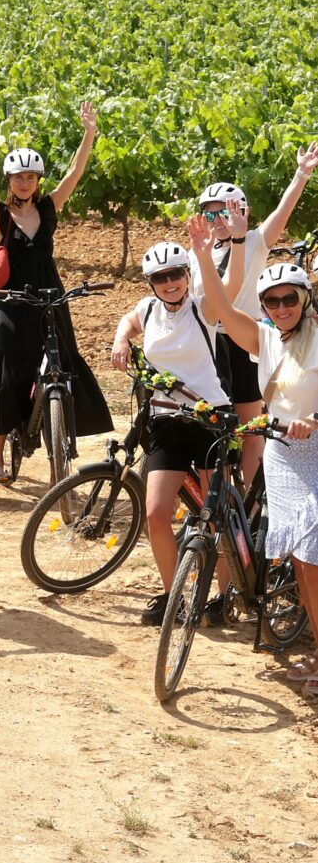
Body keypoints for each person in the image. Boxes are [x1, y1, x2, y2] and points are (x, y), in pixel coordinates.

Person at [0, 103, 112, 483]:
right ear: (9, 180)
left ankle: (58, 454)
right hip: (11, 304)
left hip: (49, 299)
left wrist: (89, 133)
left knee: (64, 364)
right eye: (18, 177)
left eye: (31, 177)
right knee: (10, 374)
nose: (24, 183)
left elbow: (76, 173)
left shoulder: (48, 209)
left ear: (39, 180)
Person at [191, 224, 318, 692]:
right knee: (301, 561)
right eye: (272, 301)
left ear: (304, 300)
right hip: (282, 453)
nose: (281, 308)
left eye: (290, 299)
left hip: (316, 448)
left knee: (312, 556)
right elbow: (221, 309)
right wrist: (206, 256)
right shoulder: (264, 338)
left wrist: (315, 420)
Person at [110, 213, 245, 625]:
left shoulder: (203, 309)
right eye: (161, 278)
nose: (170, 283)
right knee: (155, 513)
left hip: (208, 422)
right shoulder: (148, 311)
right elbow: (130, 321)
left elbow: (228, 293)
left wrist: (206, 255)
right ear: (151, 283)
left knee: (214, 513)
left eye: (176, 275)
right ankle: (175, 597)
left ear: (187, 276)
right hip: (166, 421)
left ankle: (224, 597)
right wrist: (120, 339)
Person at [188, 144, 318, 484]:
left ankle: (247, 498)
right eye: (211, 214)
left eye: (225, 212)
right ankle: (217, 499)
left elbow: (283, 212)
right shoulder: (198, 252)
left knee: (248, 424)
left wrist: (301, 173)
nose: (217, 220)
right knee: (211, 422)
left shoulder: (255, 241)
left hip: (246, 342)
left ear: (240, 211)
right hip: (208, 343)